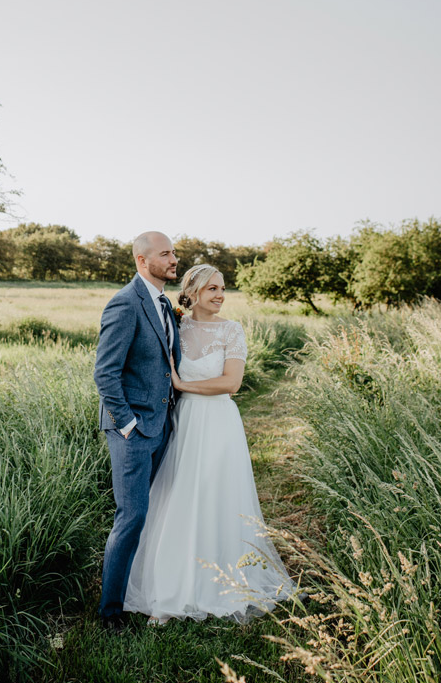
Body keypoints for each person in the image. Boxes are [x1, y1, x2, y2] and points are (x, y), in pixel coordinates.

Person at [122, 264, 295, 621]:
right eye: (212, 288)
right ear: (193, 292)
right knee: (178, 496)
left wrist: (184, 385)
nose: (219, 295)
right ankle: (170, 589)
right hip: (183, 423)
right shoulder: (174, 329)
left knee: (218, 497)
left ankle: (220, 581)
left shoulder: (232, 330)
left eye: (222, 288)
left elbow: (231, 383)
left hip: (218, 422)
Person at [93, 230, 183, 632]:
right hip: (132, 430)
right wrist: (128, 424)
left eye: (175, 252)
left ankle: (141, 591)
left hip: (161, 425)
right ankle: (111, 612)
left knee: (153, 514)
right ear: (142, 260)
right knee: (131, 516)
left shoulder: (163, 303)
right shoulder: (125, 304)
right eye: (166, 253)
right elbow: (105, 373)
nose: (174, 258)